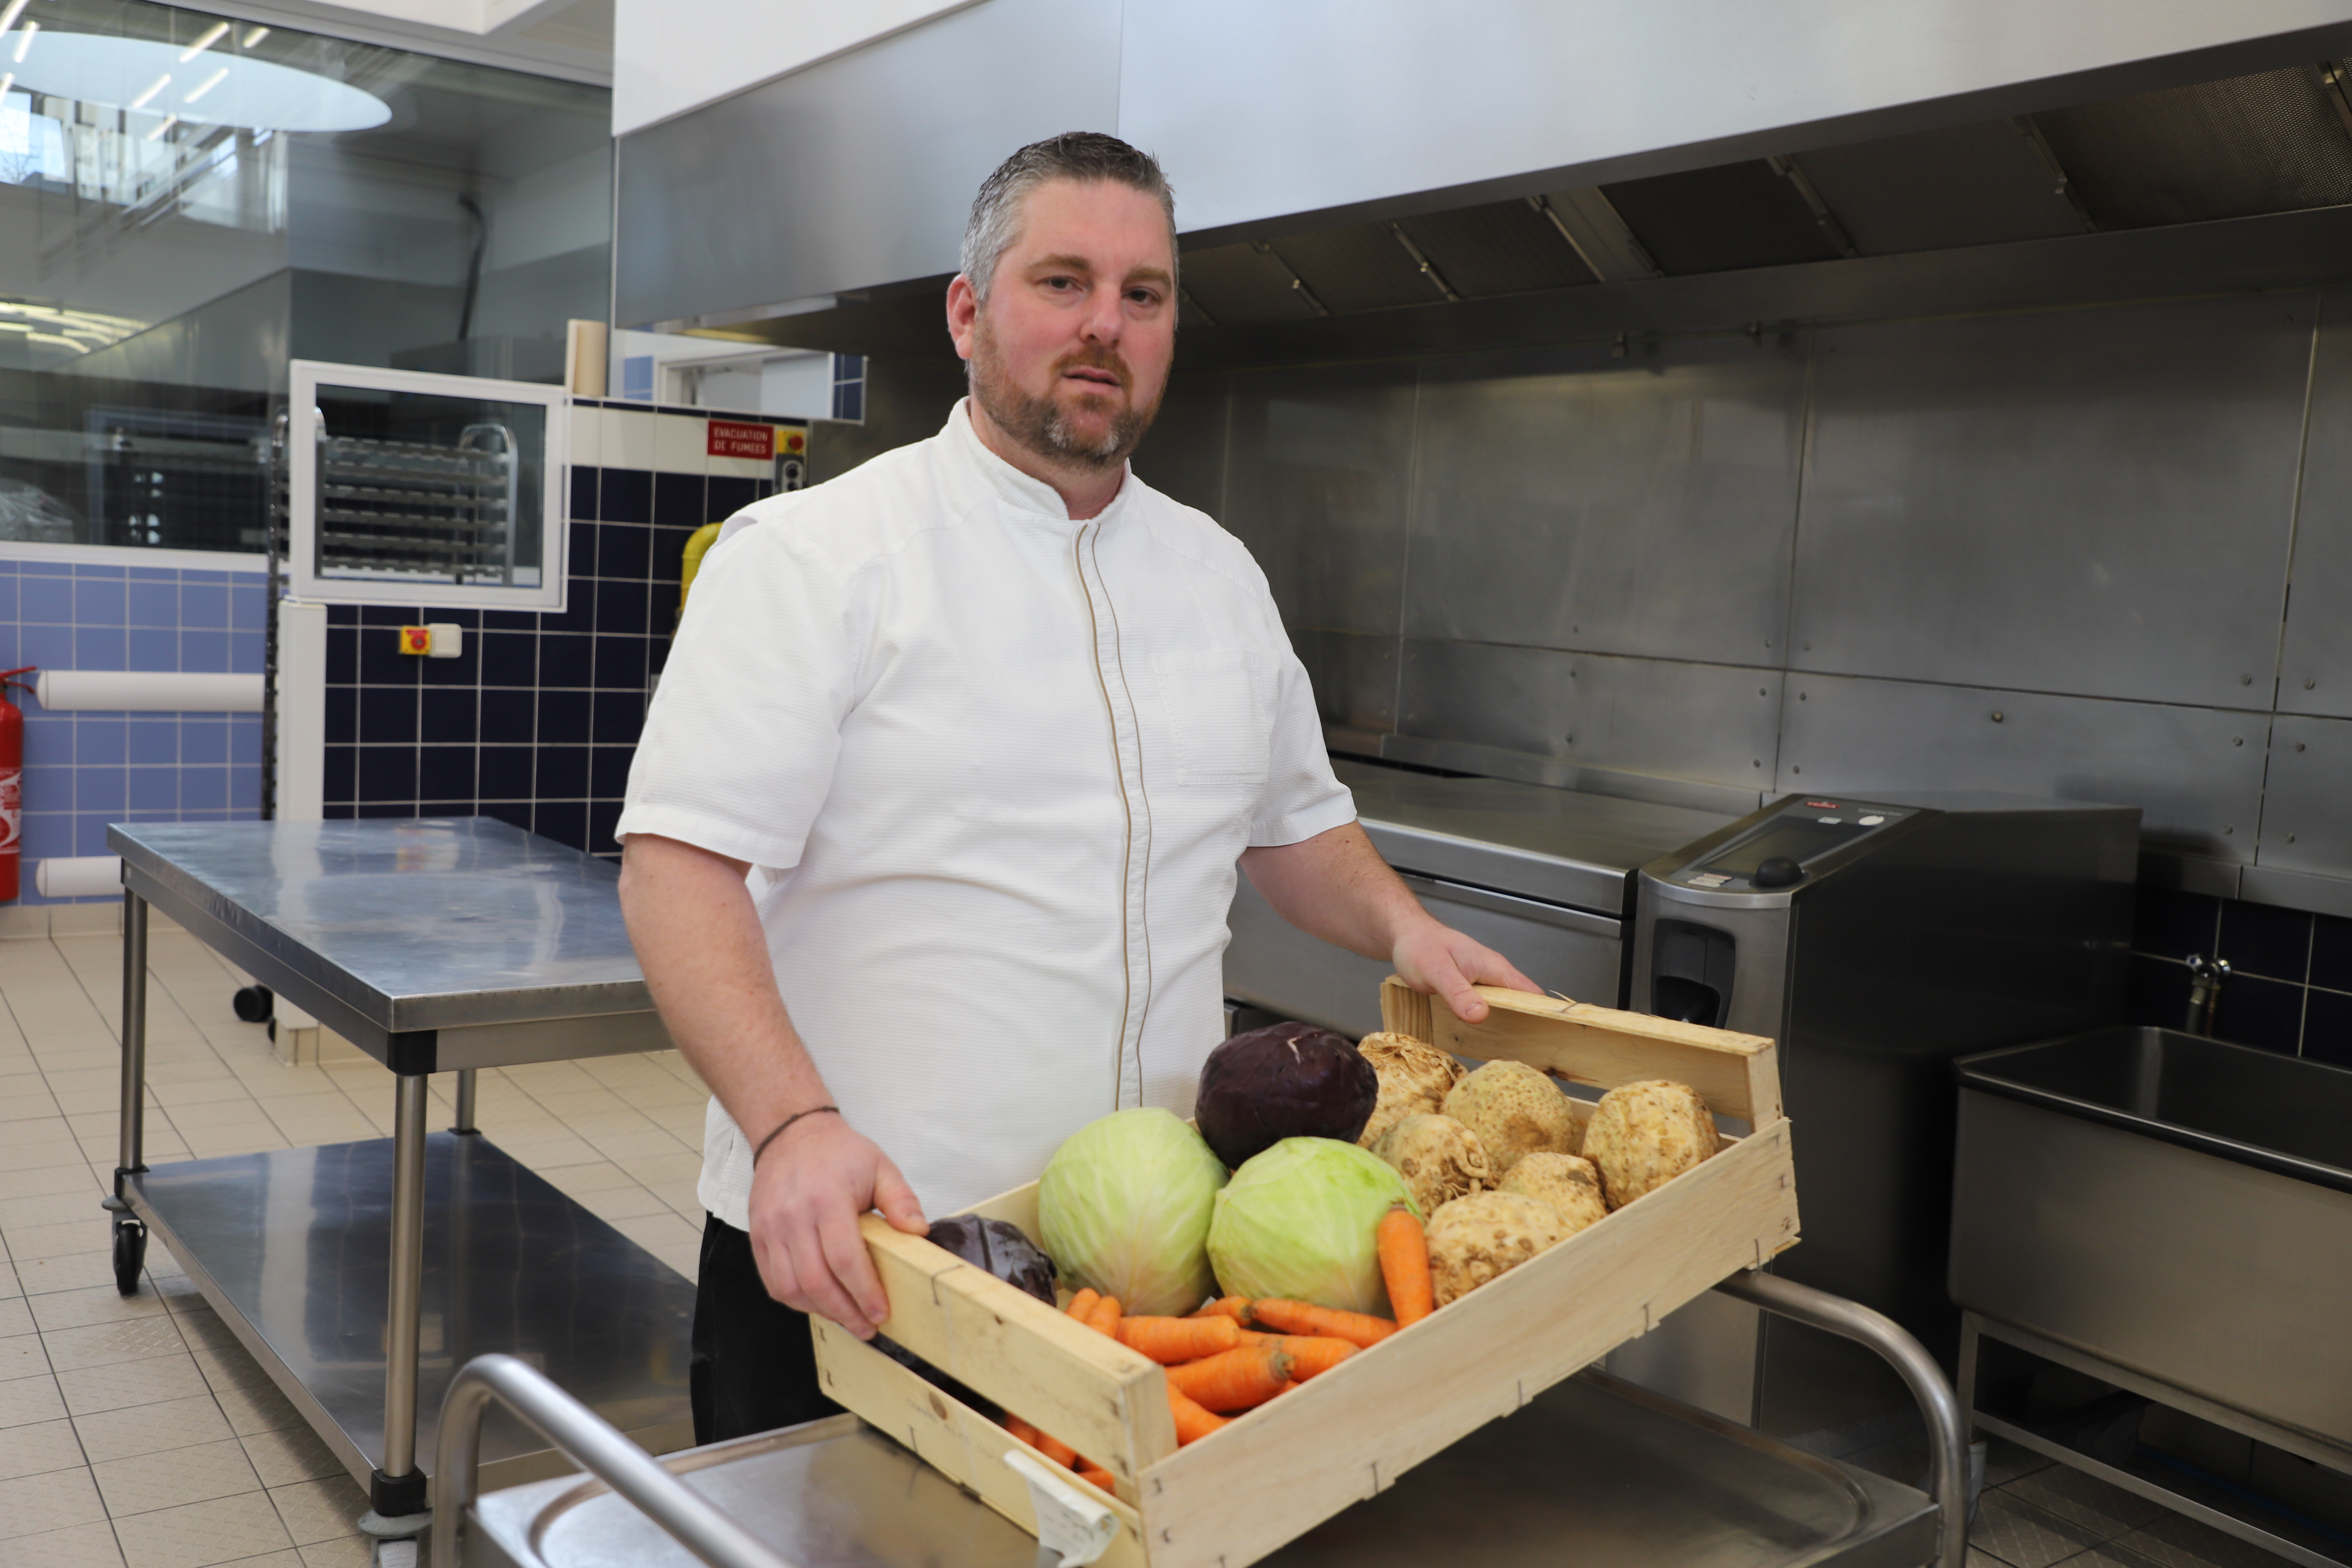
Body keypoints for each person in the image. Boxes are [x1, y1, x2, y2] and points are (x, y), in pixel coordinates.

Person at [616, 131, 1536, 1444]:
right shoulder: (816, 559)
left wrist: (1405, 927)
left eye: (1143, 294)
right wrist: (791, 1125)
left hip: (1142, 1277)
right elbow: (675, 869)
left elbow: (1293, 824)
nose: (1105, 325)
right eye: (1063, 282)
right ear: (969, 310)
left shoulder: (1217, 574)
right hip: (869, 1254)